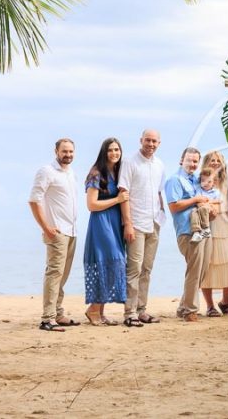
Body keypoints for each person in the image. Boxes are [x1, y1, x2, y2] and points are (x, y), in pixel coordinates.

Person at [29, 138, 80, 331]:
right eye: (64, 151)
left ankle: (58, 313)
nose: (68, 155)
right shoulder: (47, 171)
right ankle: (47, 318)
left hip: (71, 230)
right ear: (56, 151)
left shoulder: (70, 172)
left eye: (71, 152)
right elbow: (34, 200)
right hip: (56, 231)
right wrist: (46, 227)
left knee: (63, 275)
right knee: (54, 273)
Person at [118, 129, 165, 326]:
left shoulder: (160, 164)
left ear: (159, 143)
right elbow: (123, 192)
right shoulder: (129, 162)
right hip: (135, 223)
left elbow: (159, 192)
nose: (151, 144)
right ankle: (129, 313)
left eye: (154, 141)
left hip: (154, 222)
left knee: (147, 269)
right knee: (134, 269)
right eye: (148, 140)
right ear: (141, 140)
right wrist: (127, 223)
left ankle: (142, 309)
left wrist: (162, 214)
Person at [83, 138, 129, 326]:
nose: (114, 153)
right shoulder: (96, 173)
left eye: (117, 149)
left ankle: (99, 312)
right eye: (110, 150)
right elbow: (91, 205)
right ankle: (93, 309)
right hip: (101, 224)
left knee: (110, 266)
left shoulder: (118, 172)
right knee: (112, 263)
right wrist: (117, 200)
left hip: (114, 223)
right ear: (104, 152)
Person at [165, 147, 212, 322]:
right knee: (194, 269)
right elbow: (174, 206)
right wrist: (196, 200)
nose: (192, 164)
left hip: (204, 229)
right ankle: (190, 310)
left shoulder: (197, 182)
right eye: (189, 160)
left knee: (203, 269)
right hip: (188, 231)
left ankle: (183, 306)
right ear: (181, 160)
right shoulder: (174, 180)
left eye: (195, 161)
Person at [199, 152, 228, 317]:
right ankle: (209, 305)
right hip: (207, 225)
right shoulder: (201, 180)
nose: (215, 163)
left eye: (218, 161)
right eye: (212, 160)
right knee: (207, 265)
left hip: (226, 226)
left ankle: (225, 301)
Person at [189, 168, 221, 243]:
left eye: (209, 181)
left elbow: (219, 200)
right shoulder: (199, 190)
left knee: (204, 208)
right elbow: (198, 199)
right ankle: (196, 232)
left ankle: (206, 228)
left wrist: (209, 202)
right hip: (200, 207)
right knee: (193, 211)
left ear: (213, 183)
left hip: (209, 208)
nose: (206, 183)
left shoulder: (215, 192)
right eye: (203, 181)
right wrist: (201, 202)